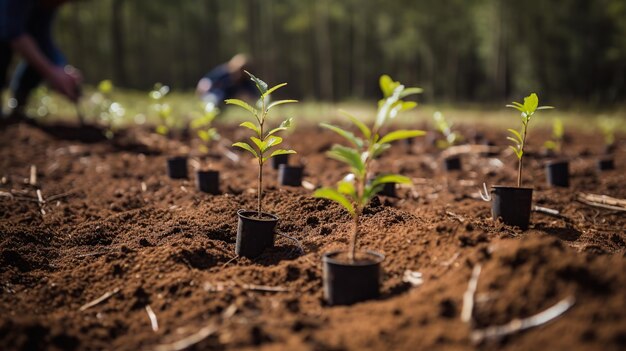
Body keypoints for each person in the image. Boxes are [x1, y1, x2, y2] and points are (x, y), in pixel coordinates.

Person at [0, 0, 81, 119]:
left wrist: (61, 68)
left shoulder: (47, 6)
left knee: (44, 56)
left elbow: (43, 40)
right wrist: (52, 73)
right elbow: (12, 33)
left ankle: (18, 106)